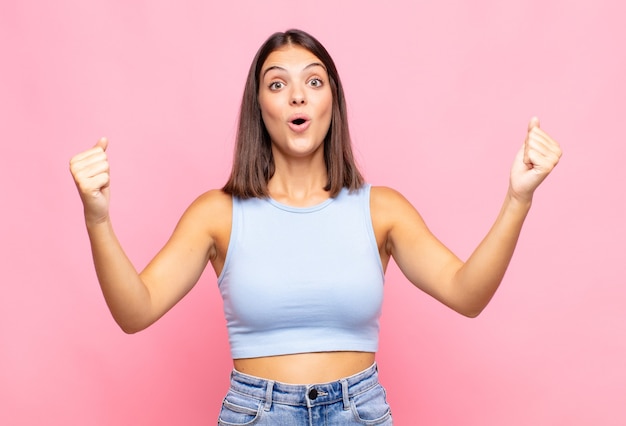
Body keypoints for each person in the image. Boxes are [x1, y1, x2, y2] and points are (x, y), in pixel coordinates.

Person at [69, 29, 562, 425]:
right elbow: (135, 311)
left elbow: (467, 295)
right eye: (278, 83)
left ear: (332, 100)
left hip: (359, 412)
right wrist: (98, 218)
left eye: (314, 81)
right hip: (257, 413)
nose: (298, 96)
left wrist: (519, 197)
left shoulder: (381, 209)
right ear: (260, 107)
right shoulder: (217, 213)